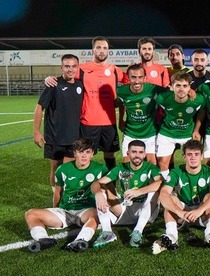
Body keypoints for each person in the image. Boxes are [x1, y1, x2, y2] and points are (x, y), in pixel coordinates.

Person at [44, 36, 128, 172]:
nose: (102, 51)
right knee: (86, 156)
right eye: (99, 47)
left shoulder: (114, 70)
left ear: (108, 51)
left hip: (109, 122)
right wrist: (48, 78)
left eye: (105, 48)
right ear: (93, 50)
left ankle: (110, 188)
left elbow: (132, 81)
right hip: (88, 122)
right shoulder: (81, 69)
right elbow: (65, 75)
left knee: (110, 155)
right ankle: (88, 187)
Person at [25, 138, 107, 253]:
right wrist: (55, 209)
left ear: (92, 154)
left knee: (96, 214)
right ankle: (42, 239)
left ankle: (80, 240)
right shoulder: (62, 169)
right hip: (65, 211)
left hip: (86, 210)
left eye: (87, 152)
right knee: (30, 214)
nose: (84, 155)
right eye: (80, 151)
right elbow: (58, 192)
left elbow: (107, 191)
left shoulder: (100, 169)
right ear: (74, 153)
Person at [152, 139, 210, 254]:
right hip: (182, 214)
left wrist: (200, 210)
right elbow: (164, 193)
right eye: (189, 154)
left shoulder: (209, 172)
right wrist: (179, 211)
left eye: (196, 154)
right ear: (184, 156)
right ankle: (172, 236)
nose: (193, 158)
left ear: (201, 156)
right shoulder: (176, 172)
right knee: (172, 198)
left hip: (201, 214)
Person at [91, 140, 162, 248]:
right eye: (134, 152)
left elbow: (161, 183)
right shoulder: (121, 168)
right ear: (128, 153)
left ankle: (137, 231)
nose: (137, 155)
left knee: (154, 191)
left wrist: (139, 192)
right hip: (125, 207)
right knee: (100, 191)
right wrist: (98, 194)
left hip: (144, 209)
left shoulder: (150, 168)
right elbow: (96, 183)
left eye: (140, 152)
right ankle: (107, 232)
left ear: (144, 154)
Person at [33, 54, 84, 199]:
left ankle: (66, 197)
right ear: (61, 67)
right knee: (55, 169)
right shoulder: (54, 84)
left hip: (74, 137)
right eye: (67, 66)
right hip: (54, 137)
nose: (70, 69)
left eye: (74, 66)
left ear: (77, 67)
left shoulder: (80, 85)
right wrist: (36, 132)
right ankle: (55, 195)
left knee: (67, 169)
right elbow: (39, 108)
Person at [116, 64, 170, 165]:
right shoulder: (121, 91)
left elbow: (174, 93)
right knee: (127, 166)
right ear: (128, 77)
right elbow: (119, 103)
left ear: (145, 77)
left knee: (152, 165)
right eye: (133, 77)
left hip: (150, 134)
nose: (137, 81)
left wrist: (190, 91)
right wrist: (120, 121)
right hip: (130, 133)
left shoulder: (154, 89)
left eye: (140, 77)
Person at [156, 72, 205, 176]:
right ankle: (167, 187)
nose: (181, 89)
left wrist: (196, 130)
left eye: (185, 86)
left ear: (189, 88)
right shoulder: (163, 99)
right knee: (162, 163)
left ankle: (188, 186)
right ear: (172, 86)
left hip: (187, 134)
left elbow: (202, 111)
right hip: (167, 133)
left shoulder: (198, 100)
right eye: (178, 85)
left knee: (193, 162)